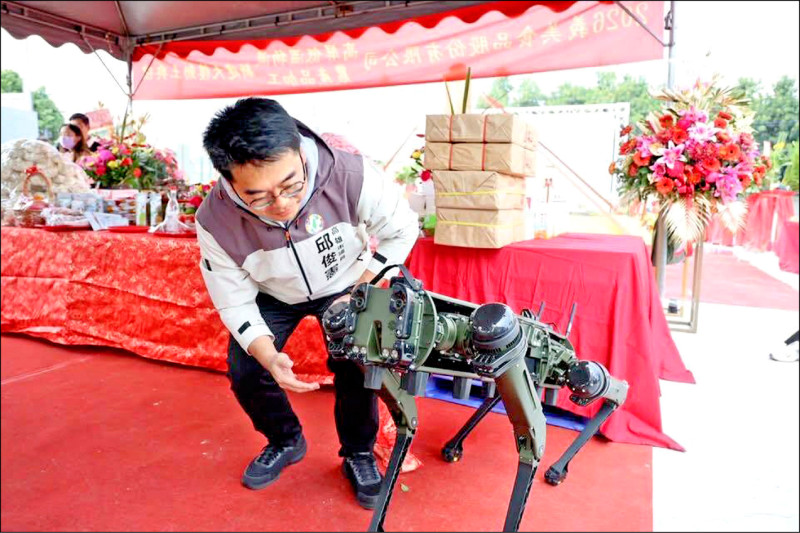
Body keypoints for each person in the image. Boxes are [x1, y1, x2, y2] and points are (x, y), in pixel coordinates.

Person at [197, 97, 419, 509]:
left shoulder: (351, 174)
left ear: (301, 152)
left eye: (291, 185)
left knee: (357, 365)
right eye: (258, 196)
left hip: (349, 279)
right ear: (228, 181)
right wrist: (268, 354)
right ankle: (285, 439)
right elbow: (233, 300)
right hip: (274, 292)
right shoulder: (214, 220)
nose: (282, 205)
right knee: (246, 370)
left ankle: (357, 453)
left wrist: (363, 286)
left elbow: (403, 229)